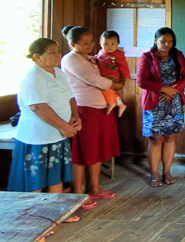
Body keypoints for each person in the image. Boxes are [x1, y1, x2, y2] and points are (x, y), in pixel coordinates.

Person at [8, 38, 83, 221]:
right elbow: (38, 107)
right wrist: (64, 126)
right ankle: (35, 219)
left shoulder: (58, 72)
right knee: (35, 180)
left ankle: (55, 214)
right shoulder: (33, 77)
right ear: (37, 56)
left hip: (58, 135)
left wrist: (75, 116)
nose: (58, 55)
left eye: (58, 51)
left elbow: (70, 97)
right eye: (51, 52)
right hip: (37, 138)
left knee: (55, 177)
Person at [61, 26, 124, 205]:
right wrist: (118, 85)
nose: (90, 45)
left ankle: (94, 188)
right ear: (73, 44)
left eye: (91, 41)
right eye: (85, 43)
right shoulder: (71, 59)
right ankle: (78, 192)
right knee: (82, 151)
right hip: (84, 109)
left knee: (96, 150)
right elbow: (96, 80)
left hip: (101, 109)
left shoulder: (90, 58)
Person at [136, 27, 185, 187]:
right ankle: (154, 174)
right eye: (163, 41)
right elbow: (141, 81)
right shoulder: (147, 57)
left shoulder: (177, 55)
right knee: (155, 139)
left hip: (173, 101)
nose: (167, 44)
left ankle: (167, 172)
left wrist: (175, 90)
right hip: (154, 103)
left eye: (170, 41)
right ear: (155, 40)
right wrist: (163, 89)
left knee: (170, 137)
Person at [96, 30, 129, 117]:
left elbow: (124, 66)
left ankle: (111, 103)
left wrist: (126, 77)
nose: (109, 47)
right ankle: (120, 104)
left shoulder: (118, 55)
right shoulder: (100, 52)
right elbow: (98, 59)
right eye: (106, 44)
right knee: (110, 93)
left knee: (106, 89)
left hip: (114, 77)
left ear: (117, 44)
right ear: (100, 43)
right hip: (104, 77)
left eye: (112, 44)